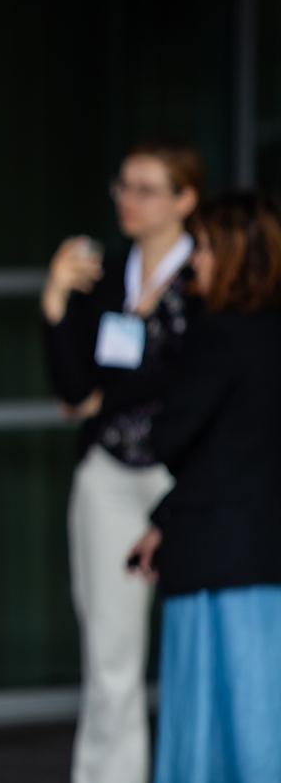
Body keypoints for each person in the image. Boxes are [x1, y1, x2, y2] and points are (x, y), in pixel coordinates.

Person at [40, 137, 203, 783]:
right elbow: (73, 392)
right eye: (123, 187)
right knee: (111, 659)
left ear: (185, 200)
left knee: (203, 649)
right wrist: (55, 302)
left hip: (189, 477)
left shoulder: (209, 274)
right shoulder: (105, 274)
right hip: (109, 474)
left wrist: (110, 396)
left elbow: (196, 378)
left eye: (146, 189)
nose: (129, 201)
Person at [127, 191, 281, 783]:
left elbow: (172, 439)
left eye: (207, 248)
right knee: (262, 722)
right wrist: (163, 519)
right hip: (262, 557)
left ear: (236, 255)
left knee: (208, 735)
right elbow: (238, 455)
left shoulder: (218, 338)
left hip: (218, 563)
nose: (196, 261)